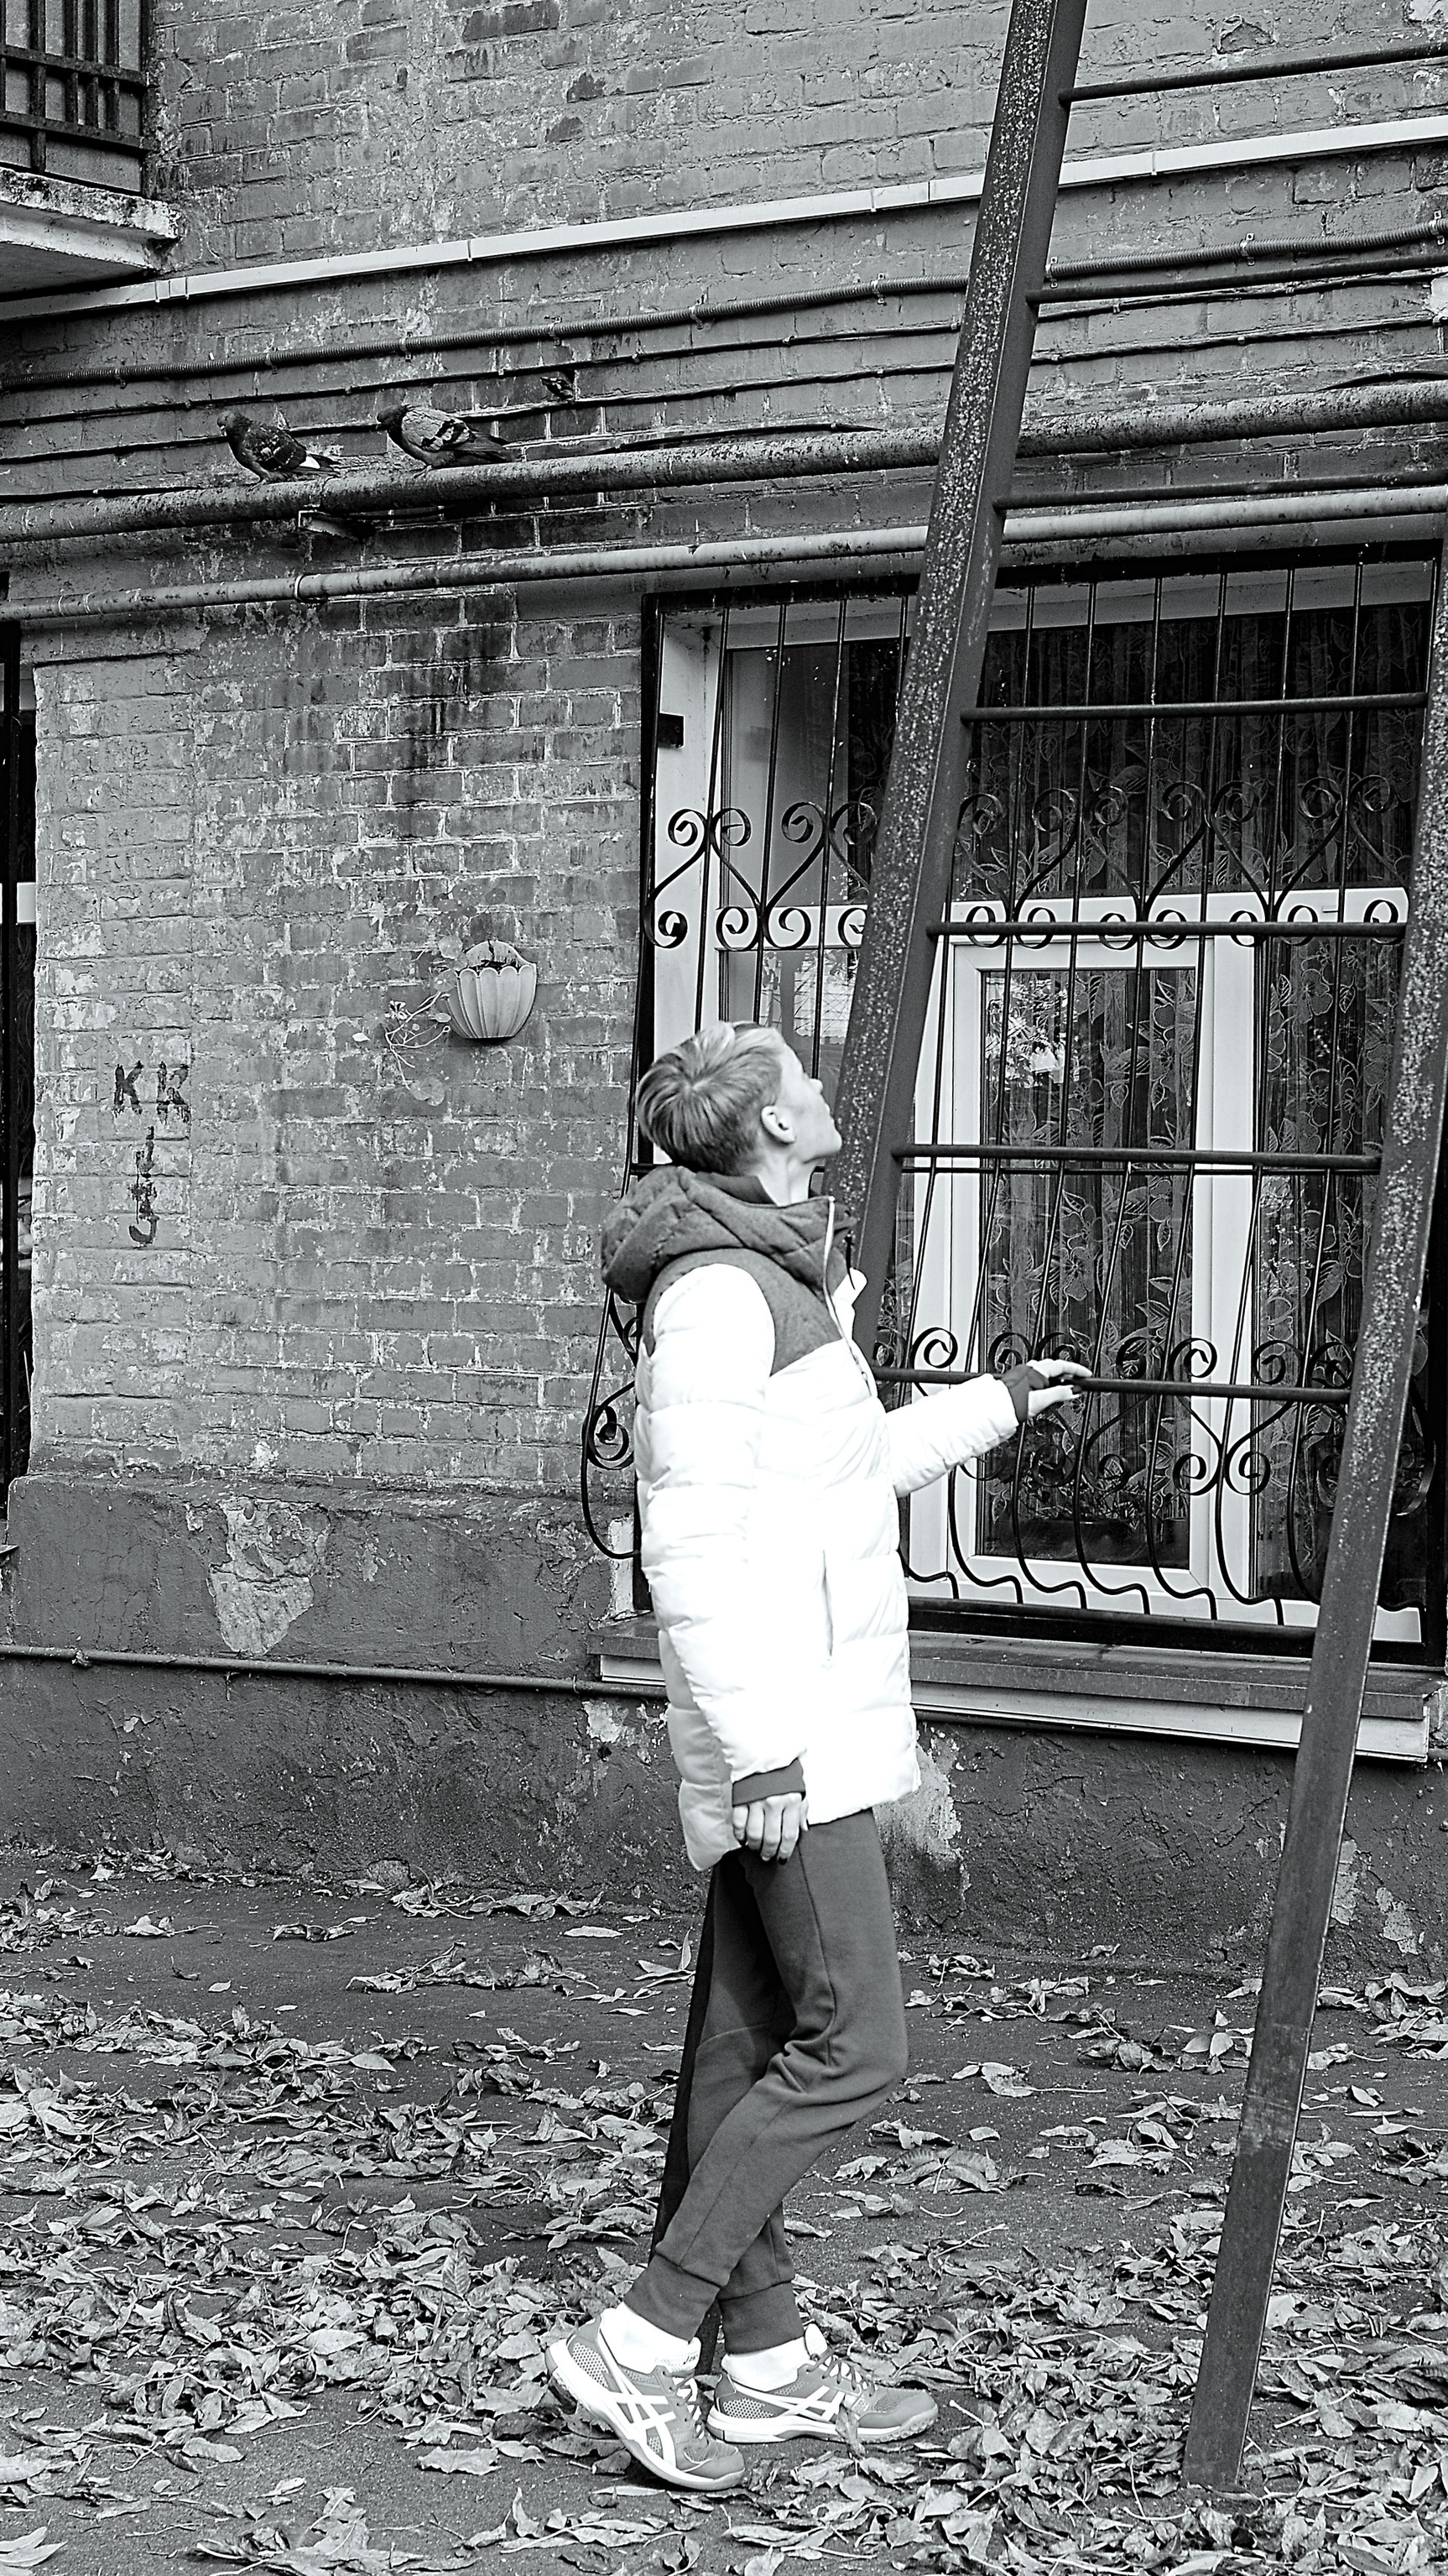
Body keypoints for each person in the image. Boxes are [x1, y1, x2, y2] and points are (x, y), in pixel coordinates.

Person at [546, 1020, 1084, 2495]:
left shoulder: (775, 1271)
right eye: (801, 1075)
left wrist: (995, 1409)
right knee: (858, 2049)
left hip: (810, 1728)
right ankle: (645, 2344)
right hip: (791, 1743)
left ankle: (768, 2370)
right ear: (765, 1126)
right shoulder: (724, 1293)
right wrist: (766, 1755)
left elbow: (837, 1481)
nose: (822, 1085)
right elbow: (692, 1553)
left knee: (740, 2052)